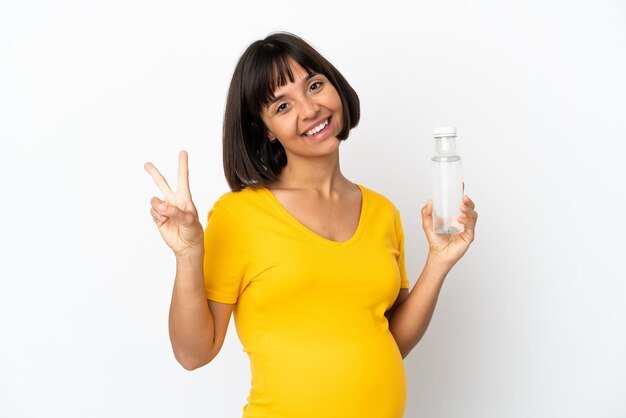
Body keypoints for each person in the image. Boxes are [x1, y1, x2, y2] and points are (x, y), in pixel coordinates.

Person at [144, 32, 477, 418]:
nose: (310, 109)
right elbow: (193, 354)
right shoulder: (239, 215)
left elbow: (390, 340)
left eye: (315, 85)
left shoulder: (382, 211)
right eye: (283, 106)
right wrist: (188, 255)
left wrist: (438, 261)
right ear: (265, 128)